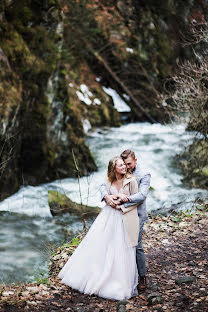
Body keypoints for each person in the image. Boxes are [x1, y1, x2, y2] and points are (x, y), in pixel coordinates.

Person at [58, 156, 140, 300]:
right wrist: (108, 198)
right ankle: (94, 276)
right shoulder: (109, 181)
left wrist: (121, 205)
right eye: (120, 165)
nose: (124, 167)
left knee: (120, 248)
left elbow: (136, 201)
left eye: (124, 165)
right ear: (113, 168)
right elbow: (102, 188)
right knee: (101, 245)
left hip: (123, 218)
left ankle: (117, 283)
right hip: (108, 217)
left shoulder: (131, 180)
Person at [100, 150, 151, 290]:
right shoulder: (119, 171)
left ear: (135, 160)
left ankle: (142, 277)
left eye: (128, 164)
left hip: (137, 215)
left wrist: (121, 201)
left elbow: (142, 195)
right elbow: (103, 185)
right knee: (118, 245)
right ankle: (118, 275)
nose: (126, 167)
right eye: (123, 164)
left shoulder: (144, 174)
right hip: (118, 215)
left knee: (136, 246)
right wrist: (107, 197)